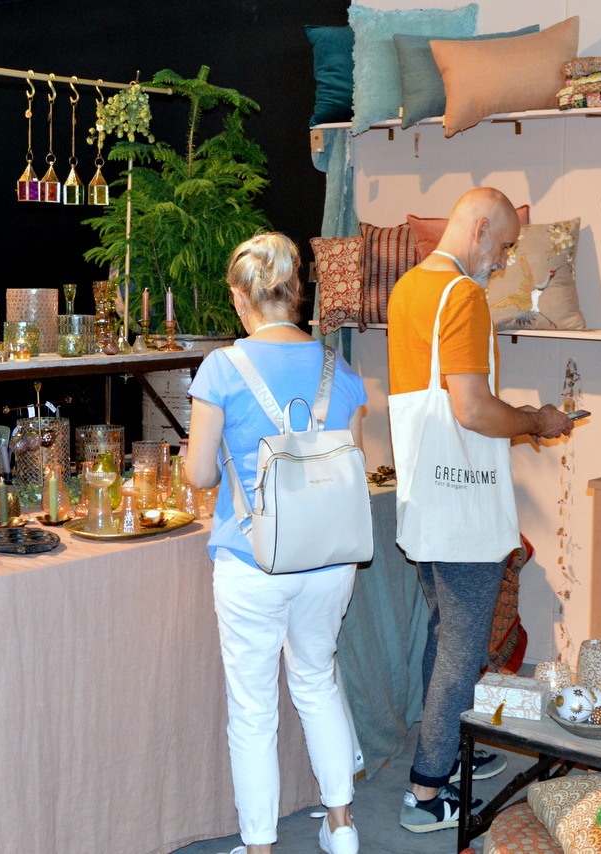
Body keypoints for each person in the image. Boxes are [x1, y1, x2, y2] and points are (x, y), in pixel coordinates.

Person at [386, 187, 575, 833]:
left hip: (425, 498)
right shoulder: (462, 295)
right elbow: (470, 408)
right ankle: (427, 792)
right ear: (478, 228)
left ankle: (446, 745)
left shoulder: (410, 288)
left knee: (445, 635)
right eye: (504, 246)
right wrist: (535, 420)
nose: (503, 261)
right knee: (463, 648)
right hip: (460, 505)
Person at [185, 233, 368, 854]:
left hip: (252, 559)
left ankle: (260, 846)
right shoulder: (341, 371)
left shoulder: (221, 369)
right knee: (318, 681)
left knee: (253, 707)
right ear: (296, 293)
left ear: (242, 299)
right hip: (330, 559)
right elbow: (352, 466)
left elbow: (199, 475)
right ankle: (341, 825)